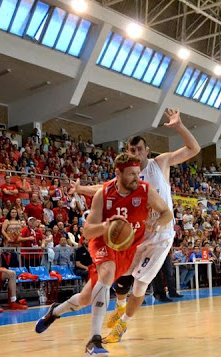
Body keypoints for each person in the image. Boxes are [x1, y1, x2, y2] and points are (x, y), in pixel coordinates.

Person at [70, 109, 198, 342]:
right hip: (135, 234)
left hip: (161, 235)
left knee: (139, 286)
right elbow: (103, 187)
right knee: (120, 275)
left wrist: (179, 126)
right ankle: (119, 307)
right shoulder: (127, 176)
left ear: (147, 151)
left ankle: (122, 325)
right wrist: (79, 190)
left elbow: (193, 149)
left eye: (139, 149)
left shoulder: (161, 163)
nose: (136, 153)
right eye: (131, 150)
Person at [35, 153, 173, 357]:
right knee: (107, 273)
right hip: (103, 242)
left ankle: (56, 311)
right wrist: (107, 226)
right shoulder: (104, 194)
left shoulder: (145, 190)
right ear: (118, 173)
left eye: (138, 173)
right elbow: (88, 232)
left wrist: (157, 222)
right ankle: (94, 340)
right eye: (132, 174)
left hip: (127, 249)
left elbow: (166, 212)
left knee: (85, 298)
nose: (137, 178)